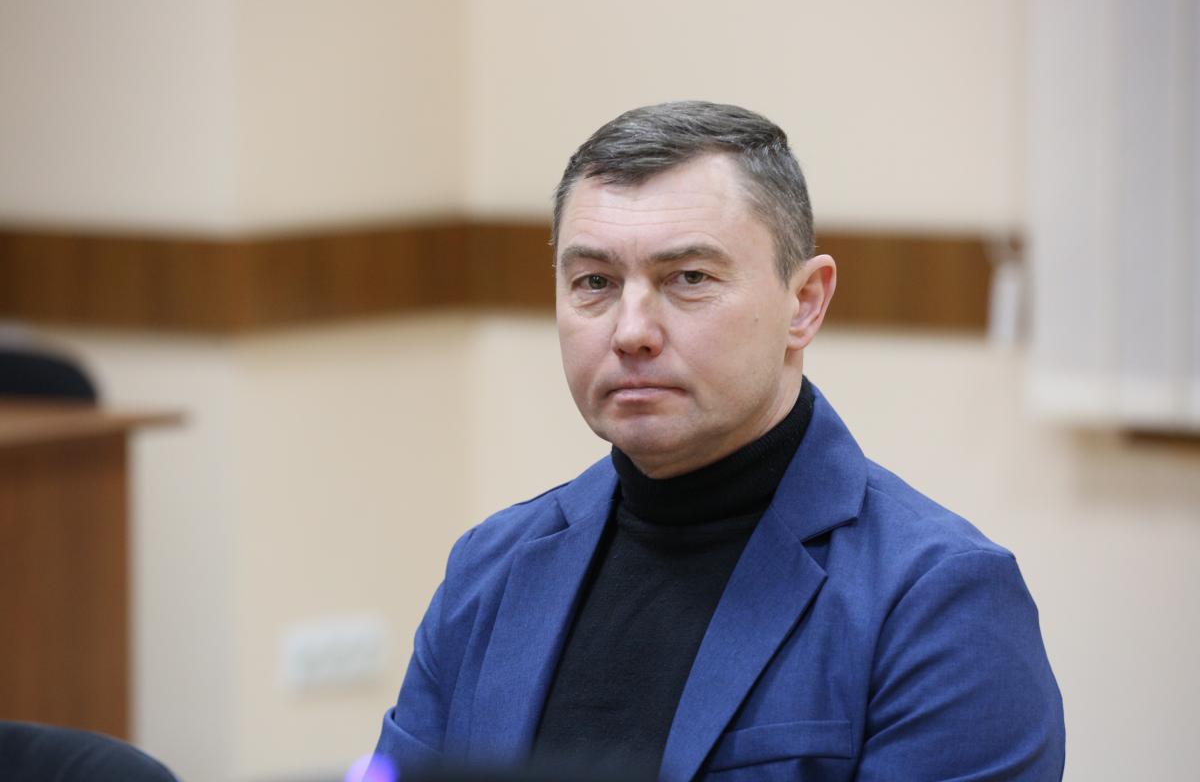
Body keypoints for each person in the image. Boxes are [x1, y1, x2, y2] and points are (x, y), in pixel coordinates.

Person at [369, 101, 1065, 781]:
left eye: (689, 279)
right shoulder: (490, 567)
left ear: (805, 303)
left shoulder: (937, 600)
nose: (630, 331)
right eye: (595, 282)